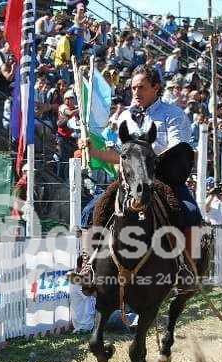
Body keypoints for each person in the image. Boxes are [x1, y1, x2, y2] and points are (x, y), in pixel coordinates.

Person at [71, 64, 199, 288]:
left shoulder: (173, 114)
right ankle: (87, 266)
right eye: (133, 88)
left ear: (156, 88)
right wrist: (93, 151)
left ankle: (187, 269)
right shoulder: (124, 117)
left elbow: (178, 149)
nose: (136, 92)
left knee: (191, 213)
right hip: (129, 181)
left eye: (141, 87)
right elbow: (119, 155)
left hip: (163, 179)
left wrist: (144, 156)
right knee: (89, 211)